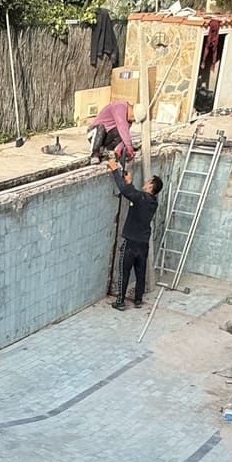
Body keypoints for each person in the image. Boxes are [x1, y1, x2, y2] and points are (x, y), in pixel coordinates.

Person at [108, 162, 163, 309]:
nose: (145, 183)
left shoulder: (141, 198)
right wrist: (130, 183)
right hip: (143, 244)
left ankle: (120, 301)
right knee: (140, 272)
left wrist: (115, 171)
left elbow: (126, 192)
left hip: (131, 242)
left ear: (151, 187)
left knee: (124, 271)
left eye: (148, 182)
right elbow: (136, 195)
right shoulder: (153, 203)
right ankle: (138, 299)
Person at [87, 98, 135, 164]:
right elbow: (122, 126)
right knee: (101, 127)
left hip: (106, 137)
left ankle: (107, 150)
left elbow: (123, 136)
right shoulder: (120, 106)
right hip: (94, 133)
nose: (132, 120)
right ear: (131, 109)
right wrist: (129, 146)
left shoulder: (128, 120)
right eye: (133, 117)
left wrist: (119, 149)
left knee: (122, 132)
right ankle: (94, 154)